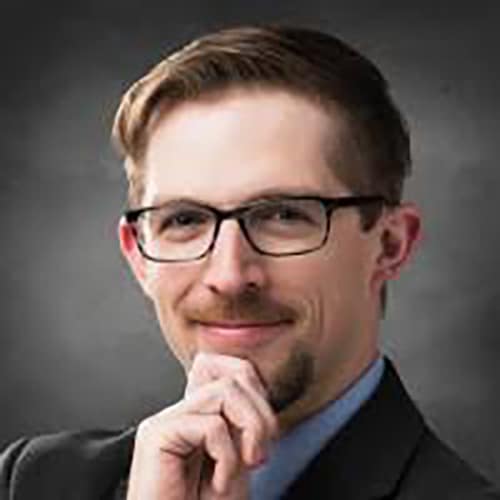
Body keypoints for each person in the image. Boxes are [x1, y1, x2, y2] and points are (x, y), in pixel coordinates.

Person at [0, 24, 498, 500]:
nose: (230, 276)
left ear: (390, 245)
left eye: (283, 215)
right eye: (185, 219)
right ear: (139, 257)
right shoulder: (32, 483)